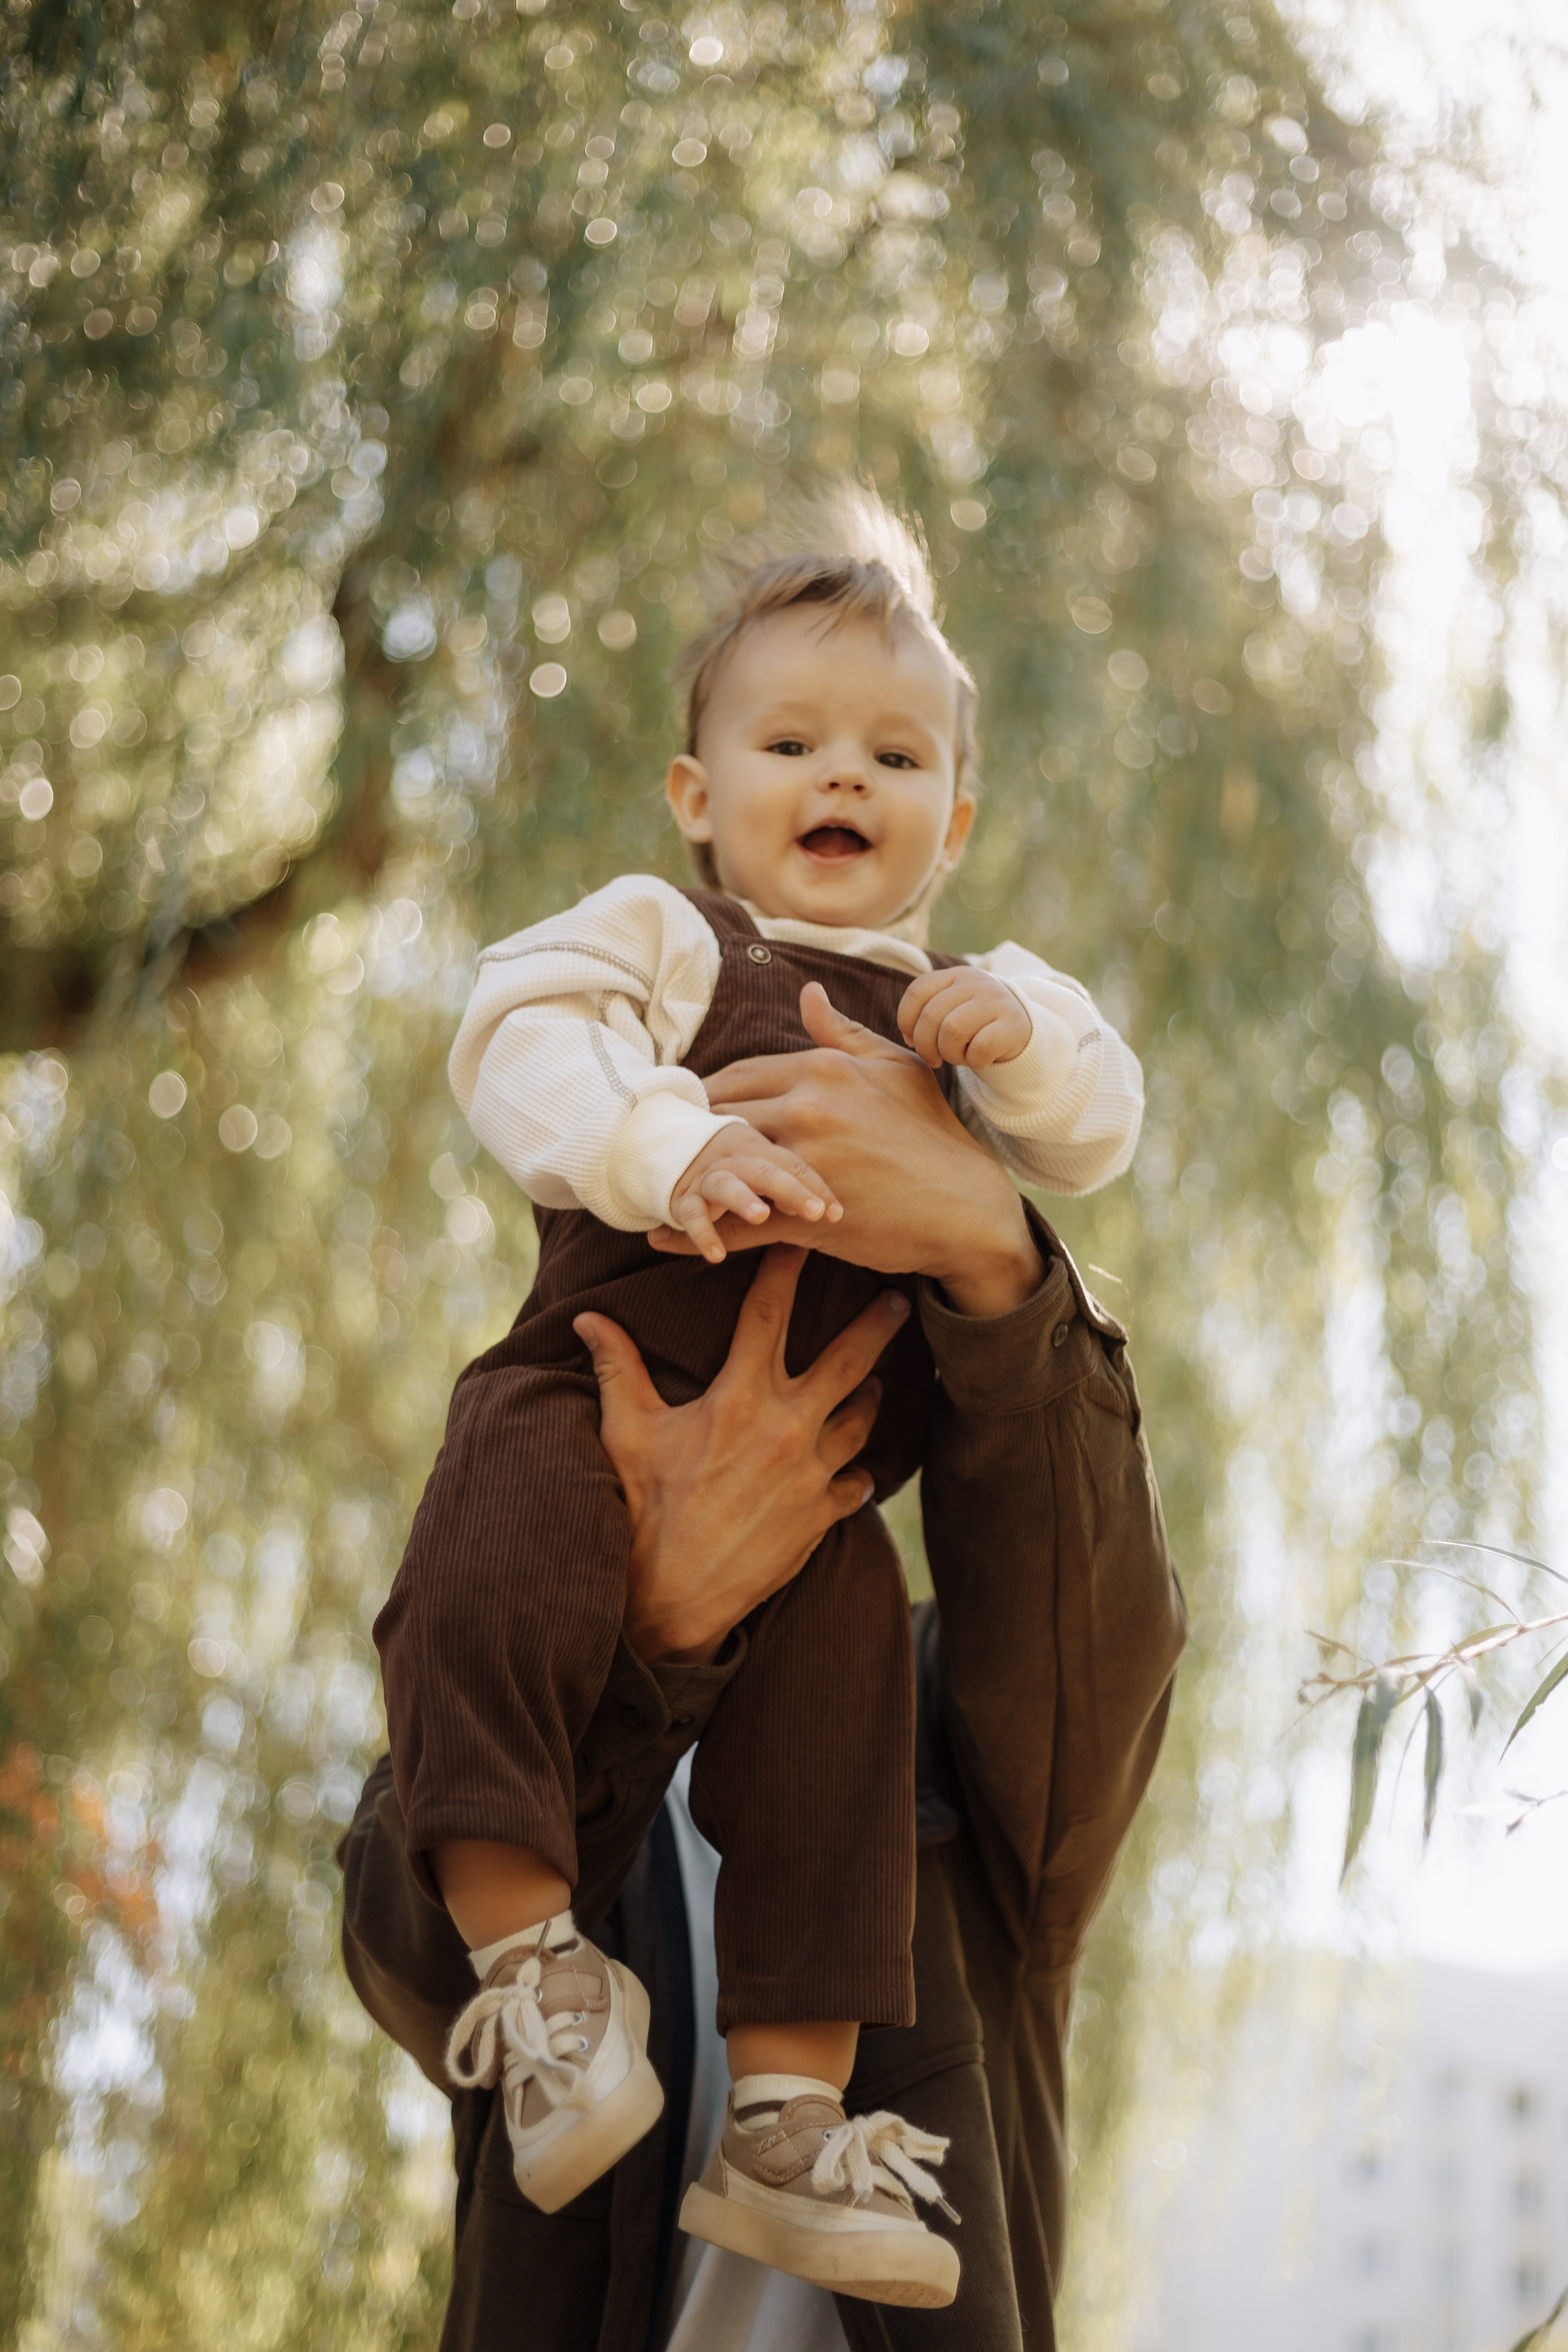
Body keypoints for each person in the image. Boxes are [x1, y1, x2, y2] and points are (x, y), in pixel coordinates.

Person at [371, 486, 1147, 2305]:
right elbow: (518, 1033)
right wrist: (662, 1144)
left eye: (894, 754)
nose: (842, 774)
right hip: (592, 1403)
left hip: (833, 1518)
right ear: (696, 795)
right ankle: (539, 1977)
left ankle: (792, 2127)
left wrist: (1009, 1094)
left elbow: (1097, 1119)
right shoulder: (663, 939)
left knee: (841, 1737)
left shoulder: (966, 1006)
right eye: (790, 743)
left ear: (953, 822)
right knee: (485, 1547)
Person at [339, 1012, 1184, 2350]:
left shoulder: (956, 1751)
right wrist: (661, 1632)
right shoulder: (484, 1720)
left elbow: (1102, 1639)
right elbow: (417, 1962)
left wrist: (990, 1248)